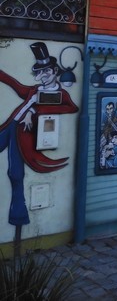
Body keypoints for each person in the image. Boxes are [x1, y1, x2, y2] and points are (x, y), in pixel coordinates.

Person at [0, 42, 79, 226]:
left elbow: (72, 107)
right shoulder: (34, 90)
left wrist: (35, 111)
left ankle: (18, 215)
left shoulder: (61, 93)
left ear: (55, 71)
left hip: (22, 135)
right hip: (10, 127)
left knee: (15, 173)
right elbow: (16, 85)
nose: (42, 77)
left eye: (46, 72)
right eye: (38, 73)